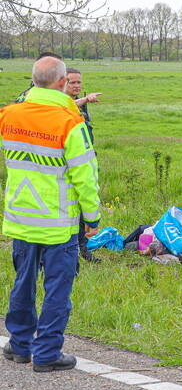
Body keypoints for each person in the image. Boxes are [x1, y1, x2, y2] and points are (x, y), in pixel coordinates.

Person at [1, 56, 101, 372]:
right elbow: (85, 175)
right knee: (58, 287)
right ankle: (45, 353)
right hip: (59, 222)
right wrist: (93, 217)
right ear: (62, 83)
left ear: (33, 80)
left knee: (23, 281)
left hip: (21, 217)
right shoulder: (70, 122)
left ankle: (19, 345)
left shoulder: (9, 114)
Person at [63, 67, 102, 262]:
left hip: (85, 160)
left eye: (79, 82)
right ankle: (75, 250)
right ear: (62, 82)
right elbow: (68, 107)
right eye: (72, 82)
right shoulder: (61, 105)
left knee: (81, 209)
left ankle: (83, 249)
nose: (77, 86)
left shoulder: (79, 104)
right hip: (69, 168)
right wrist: (85, 100)